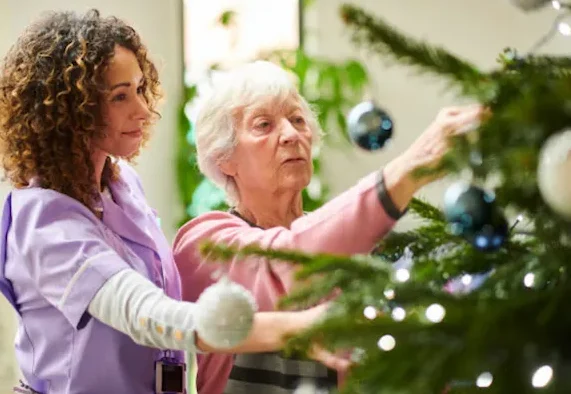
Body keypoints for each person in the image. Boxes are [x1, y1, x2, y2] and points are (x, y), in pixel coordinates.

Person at [0, 11, 347, 394]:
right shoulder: (44, 219)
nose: (143, 110)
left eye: (139, 88)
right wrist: (300, 326)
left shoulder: (123, 187)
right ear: (70, 112)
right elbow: (146, 315)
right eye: (119, 96)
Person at [172, 60, 486, 394]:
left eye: (297, 120)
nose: (292, 135)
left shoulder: (345, 241)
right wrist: (409, 168)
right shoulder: (203, 241)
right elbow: (290, 265)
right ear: (224, 158)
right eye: (264, 125)